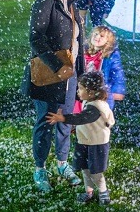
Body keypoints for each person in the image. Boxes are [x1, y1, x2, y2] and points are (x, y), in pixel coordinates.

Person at [21, 0, 87, 192]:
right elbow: (36, 38)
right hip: (50, 74)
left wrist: (80, 71)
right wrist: (57, 65)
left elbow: (77, 40)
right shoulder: (45, 1)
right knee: (46, 121)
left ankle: (61, 163)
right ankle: (40, 168)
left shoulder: (71, 2)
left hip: (70, 74)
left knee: (65, 121)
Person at [46, 70, 115, 205]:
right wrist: (75, 129)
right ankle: (89, 191)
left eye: (81, 89)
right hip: (85, 142)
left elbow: (83, 118)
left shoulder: (96, 107)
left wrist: (64, 118)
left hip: (96, 145)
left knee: (96, 172)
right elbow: (86, 123)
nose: (78, 91)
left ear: (91, 92)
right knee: (85, 169)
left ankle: (103, 193)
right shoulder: (89, 102)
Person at [84, 26, 126, 110]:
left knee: (100, 113)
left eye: (101, 36)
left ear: (108, 41)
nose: (97, 37)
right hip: (83, 88)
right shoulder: (83, 52)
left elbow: (117, 72)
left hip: (101, 91)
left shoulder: (110, 55)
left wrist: (118, 90)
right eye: (95, 34)